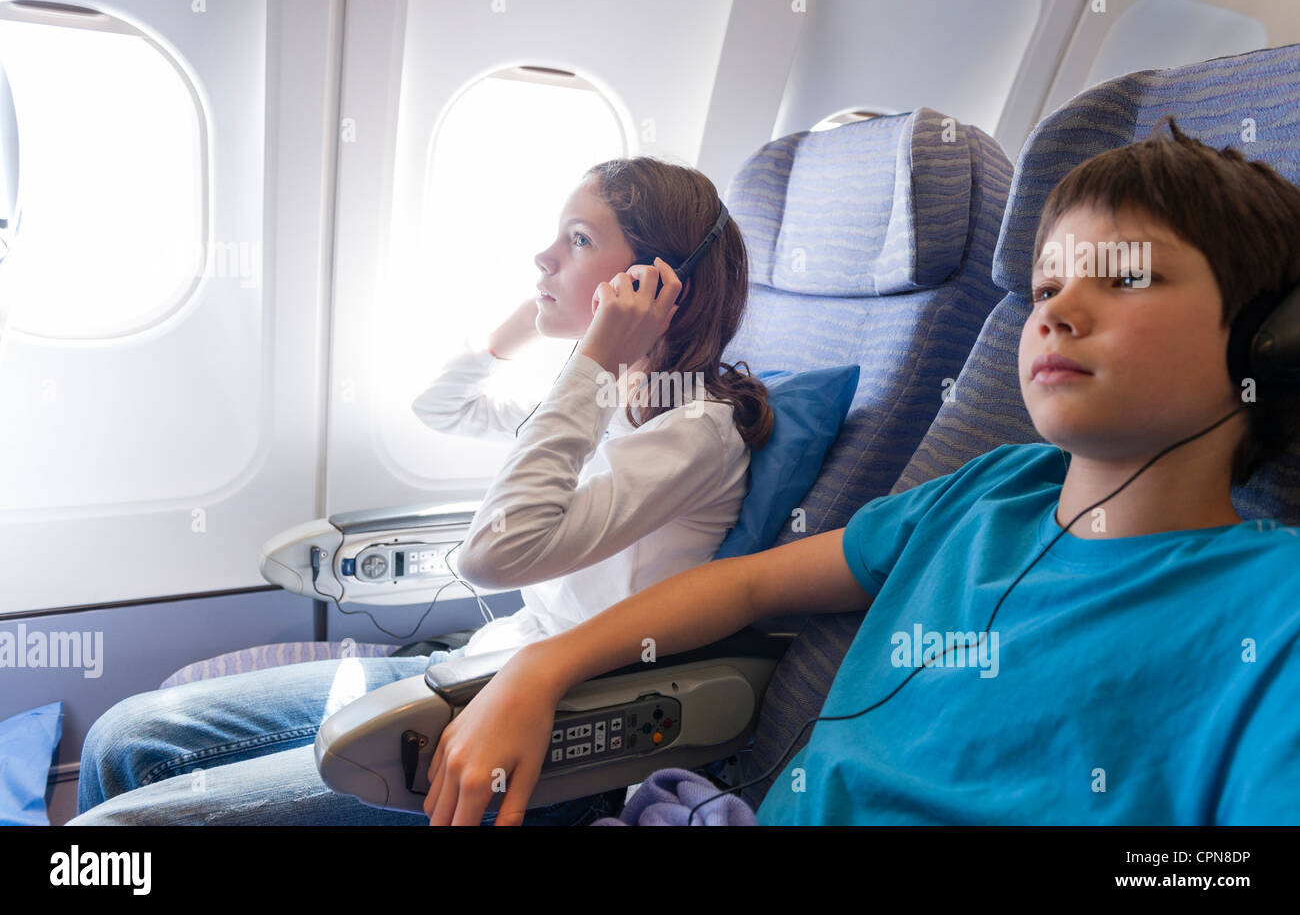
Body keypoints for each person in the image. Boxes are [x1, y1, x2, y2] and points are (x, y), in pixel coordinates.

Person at [420, 118, 1300, 826]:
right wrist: (544, 669)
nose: (1060, 309)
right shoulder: (986, 494)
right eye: (1043, 288)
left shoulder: (1273, 607)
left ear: (1268, 341)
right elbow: (746, 587)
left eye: (1125, 279)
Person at [69, 156, 774, 825]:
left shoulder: (693, 432)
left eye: (578, 239)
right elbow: (441, 407)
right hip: (482, 670)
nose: (544, 256)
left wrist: (590, 353)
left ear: (659, 281)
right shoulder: (612, 395)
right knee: (123, 736)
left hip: (563, 737)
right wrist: (538, 319)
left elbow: (491, 556)